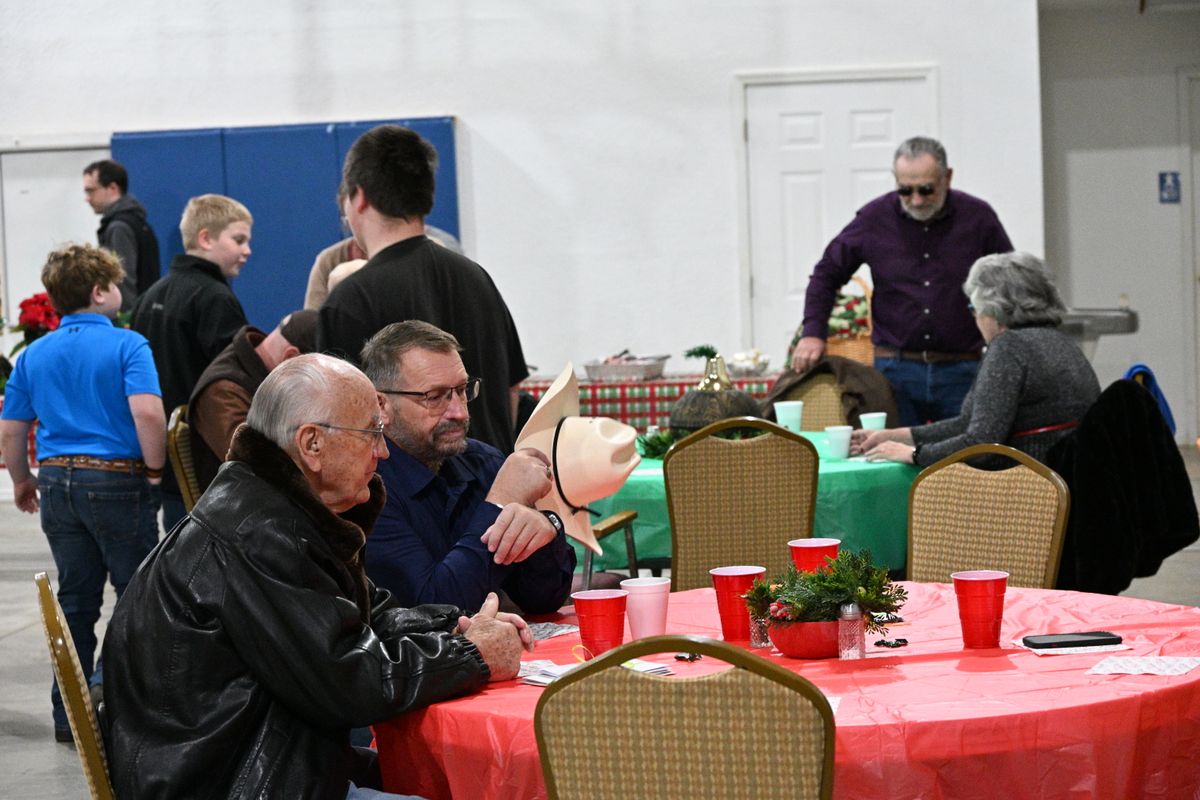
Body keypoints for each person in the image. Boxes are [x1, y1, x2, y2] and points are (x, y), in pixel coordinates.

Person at [102, 353, 532, 799]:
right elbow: (350, 682)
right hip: (230, 783)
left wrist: (456, 627)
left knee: (457, 780)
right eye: (373, 433)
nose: (384, 452)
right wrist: (470, 654)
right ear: (311, 444)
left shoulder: (271, 507)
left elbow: (365, 616)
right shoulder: (259, 534)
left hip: (258, 759)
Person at [0, 244, 164, 742]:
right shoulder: (128, 345)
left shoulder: (34, 354)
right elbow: (148, 413)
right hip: (117, 479)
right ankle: (112, 697)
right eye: (114, 284)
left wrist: (21, 480)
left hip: (56, 482)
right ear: (99, 291)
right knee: (136, 596)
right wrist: (155, 469)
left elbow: (11, 429)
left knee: (75, 599)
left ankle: (67, 717)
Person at [317, 124, 528, 454]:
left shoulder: (351, 299)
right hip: (493, 477)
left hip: (399, 487)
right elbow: (511, 389)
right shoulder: (477, 278)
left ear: (359, 197)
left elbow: (342, 424)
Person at [791, 136, 1014, 426]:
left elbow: (1009, 279)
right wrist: (813, 333)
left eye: (926, 189)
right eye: (905, 190)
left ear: (947, 177)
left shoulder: (978, 217)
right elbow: (826, 274)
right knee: (893, 452)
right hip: (895, 370)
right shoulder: (873, 218)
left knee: (966, 452)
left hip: (962, 367)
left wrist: (1009, 339)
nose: (916, 200)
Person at [361, 321, 576, 615]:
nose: (459, 412)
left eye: (462, 390)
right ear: (381, 405)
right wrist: (500, 503)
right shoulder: (367, 485)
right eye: (434, 397)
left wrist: (547, 528)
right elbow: (435, 610)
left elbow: (543, 600)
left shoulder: (483, 462)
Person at [853, 251, 1100, 467]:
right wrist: (897, 436)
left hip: (1025, 482)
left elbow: (981, 445)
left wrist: (914, 454)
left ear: (993, 310)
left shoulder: (1009, 347)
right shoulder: (1062, 342)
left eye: (974, 310)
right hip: (1069, 476)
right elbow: (970, 423)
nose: (976, 319)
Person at [131, 193, 252, 529]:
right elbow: (235, 380)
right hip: (205, 461)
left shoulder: (149, 297)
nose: (247, 251)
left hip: (164, 459)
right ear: (205, 238)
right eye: (239, 240)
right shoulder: (216, 298)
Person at [188, 309, 318, 492]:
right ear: (290, 357)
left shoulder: (261, 372)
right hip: (238, 502)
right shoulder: (223, 391)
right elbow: (254, 463)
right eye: (316, 377)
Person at [83, 159, 161, 310]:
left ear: (113, 188)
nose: (87, 198)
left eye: (91, 190)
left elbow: (122, 283)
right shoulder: (136, 220)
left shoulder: (119, 228)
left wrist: (124, 319)